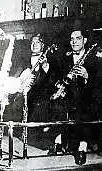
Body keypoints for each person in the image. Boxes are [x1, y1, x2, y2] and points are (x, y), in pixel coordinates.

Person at [49, 26, 98, 165]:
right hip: (68, 95)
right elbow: (57, 77)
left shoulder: (93, 59)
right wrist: (59, 87)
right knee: (57, 106)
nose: (74, 42)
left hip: (86, 97)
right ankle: (57, 141)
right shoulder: (65, 58)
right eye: (72, 39)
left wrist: (86, 75)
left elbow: (98, 82)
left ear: (85, 40)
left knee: (85, 110)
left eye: (78, 38)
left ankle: (82, 148)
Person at [10, 33, 58, 123]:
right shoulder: (24, 61)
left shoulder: (51, 61)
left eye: (38, 42)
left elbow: (51, 81)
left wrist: (44, 66)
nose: (34, 44)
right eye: (32, 42)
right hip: (24, 99)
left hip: (41, 101)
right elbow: (16, 78)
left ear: (43, 45)